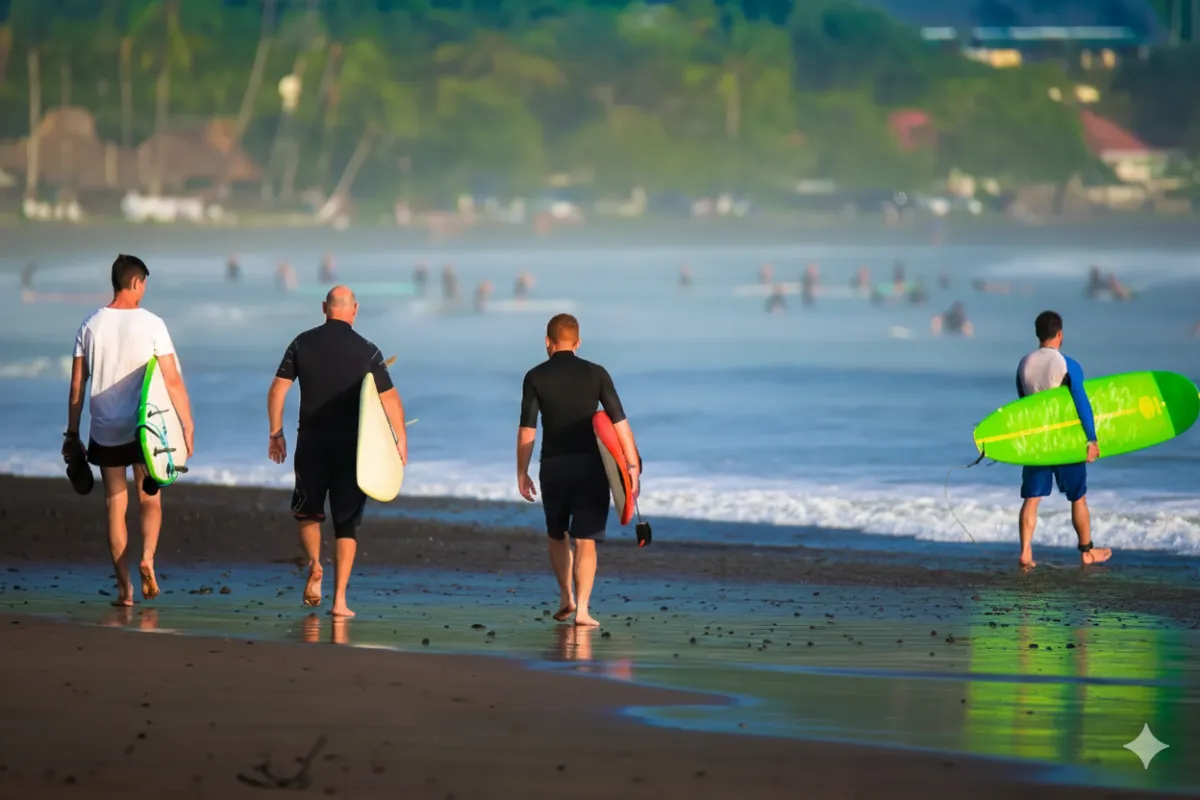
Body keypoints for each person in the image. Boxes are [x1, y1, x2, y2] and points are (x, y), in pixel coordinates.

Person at [63, 254, 195, 607]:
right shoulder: (152, 324)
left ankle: (125, 590)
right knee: (149, 499)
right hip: (146, 428)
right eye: (144, 285)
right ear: (135, 282)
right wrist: (186, 424)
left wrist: (72, 434)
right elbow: (171, 380)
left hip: (105, 428)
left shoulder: (90, 325)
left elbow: (77, 386)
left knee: (114, 504)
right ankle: (148, 558)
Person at [267, 286, 407, 617]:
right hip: (353, 451)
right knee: (346, 524)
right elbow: (390, 400)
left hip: (311, 444)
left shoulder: (301, 343)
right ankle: (340, 600)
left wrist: (276, 433)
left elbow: (277, 390)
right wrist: (400, 439)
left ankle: (315, 564)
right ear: (354, 309)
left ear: (324, 308)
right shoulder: (368, 351)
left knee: (307, 512)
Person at [516, 314, 640, 628]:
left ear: (548, 342)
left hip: (554, 467)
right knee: (586, 539)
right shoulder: (596, 373)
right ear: (578, 342)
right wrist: (631, 463)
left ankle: (565, 597)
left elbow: (527, 429)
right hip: (591, 467)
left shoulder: (534, 377)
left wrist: (522, 471)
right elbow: (618, 423)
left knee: (557, 534)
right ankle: (583, 610)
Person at [1015, 311, 1111, 568]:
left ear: (1038, 334)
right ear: (1059, 334)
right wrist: (1091, 439)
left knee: (1032, 498)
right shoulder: (1068, 364)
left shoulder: (1023, 364)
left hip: (1037, 442)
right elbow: (1081, 402)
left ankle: (1026, 552)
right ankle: (1087, 552)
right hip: (1065, 441)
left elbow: (1021, 407)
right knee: (1077, 497)